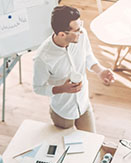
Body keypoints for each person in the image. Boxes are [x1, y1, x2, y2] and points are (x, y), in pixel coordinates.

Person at [33, 5, 115, 133]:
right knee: (67, 149)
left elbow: (88, 56)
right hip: (63, 112)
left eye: (80, 26)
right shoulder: (42, 58)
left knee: (91, 142)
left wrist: (100, 71)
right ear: (61, 34)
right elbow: (38, 88)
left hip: (84, 104)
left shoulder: (81, 35)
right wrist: (62, 89)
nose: (81, 31)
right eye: (76, 30)